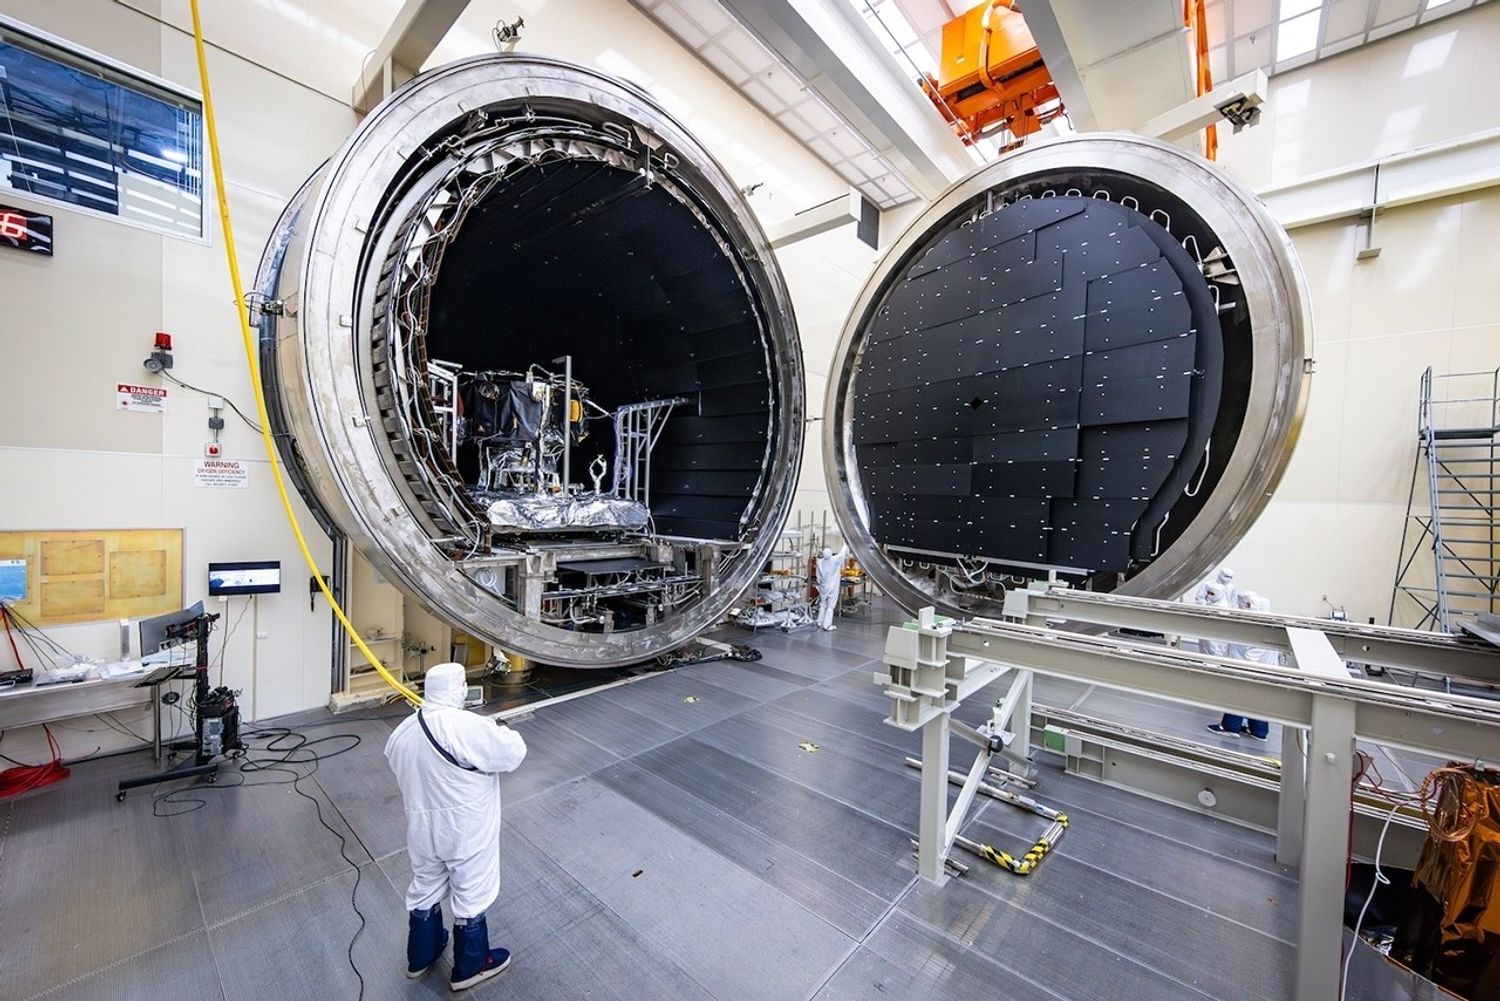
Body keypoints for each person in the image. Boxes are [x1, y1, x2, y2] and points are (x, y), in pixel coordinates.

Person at [384, 663, 528, 991]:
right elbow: (514, 752)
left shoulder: (403, 731)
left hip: (422, 829)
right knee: (471, 893)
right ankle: (471, 966)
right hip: (466, 830)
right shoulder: (466, 725)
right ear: (459, 688)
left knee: (425, 886)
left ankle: (421, 956)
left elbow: (396, 762)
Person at [1207, 591, 1272, 741]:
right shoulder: (1267, 621)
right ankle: (1258, 731)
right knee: (1259, 699)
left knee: (1239, 695)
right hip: (1263, 670)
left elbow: (1253, 652)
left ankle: (1230, 726)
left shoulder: (1256, 623)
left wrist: (1242, 669)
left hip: (1247, 668)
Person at [816, 544, 848, 630]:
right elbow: (842, 554)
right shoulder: (834, 560)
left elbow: (818, 577)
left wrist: (821, 584)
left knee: (823, 604)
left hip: (823, 586)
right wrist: (846, 543)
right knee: (830, 605)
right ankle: (827, 625)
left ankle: (820, 622)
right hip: (833, 586)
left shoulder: (820, 562)